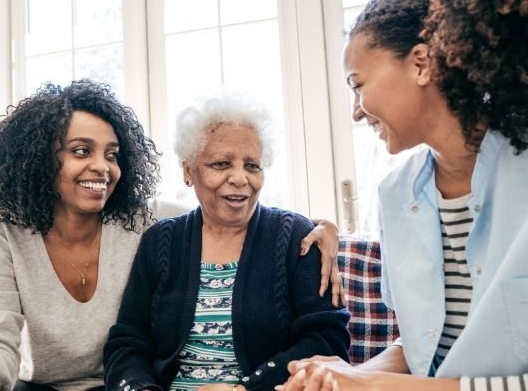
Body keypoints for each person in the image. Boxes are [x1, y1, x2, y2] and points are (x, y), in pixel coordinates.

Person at [280, 0, 528, 391]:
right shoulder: (394, 193)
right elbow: (423, 344)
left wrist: (370, 386)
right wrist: (343, 376)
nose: (356, 109)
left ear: (421, 64)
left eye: (358, 85)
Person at [0, 80, 341, 391]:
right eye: (80, 151)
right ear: (38, 159)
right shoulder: (5, 234)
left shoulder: (146, 222)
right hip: (44, 386)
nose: (101, 167)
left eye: (111, 154)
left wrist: (324, 228)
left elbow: (227, 216)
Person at [103, 92, 351, 391]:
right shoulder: (160, 240)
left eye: (252, 166)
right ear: (188, 170)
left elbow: (327, 339)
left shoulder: (295, 236)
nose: (239, 178)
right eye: (221, 164)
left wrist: (246, 389)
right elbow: (128, 342)